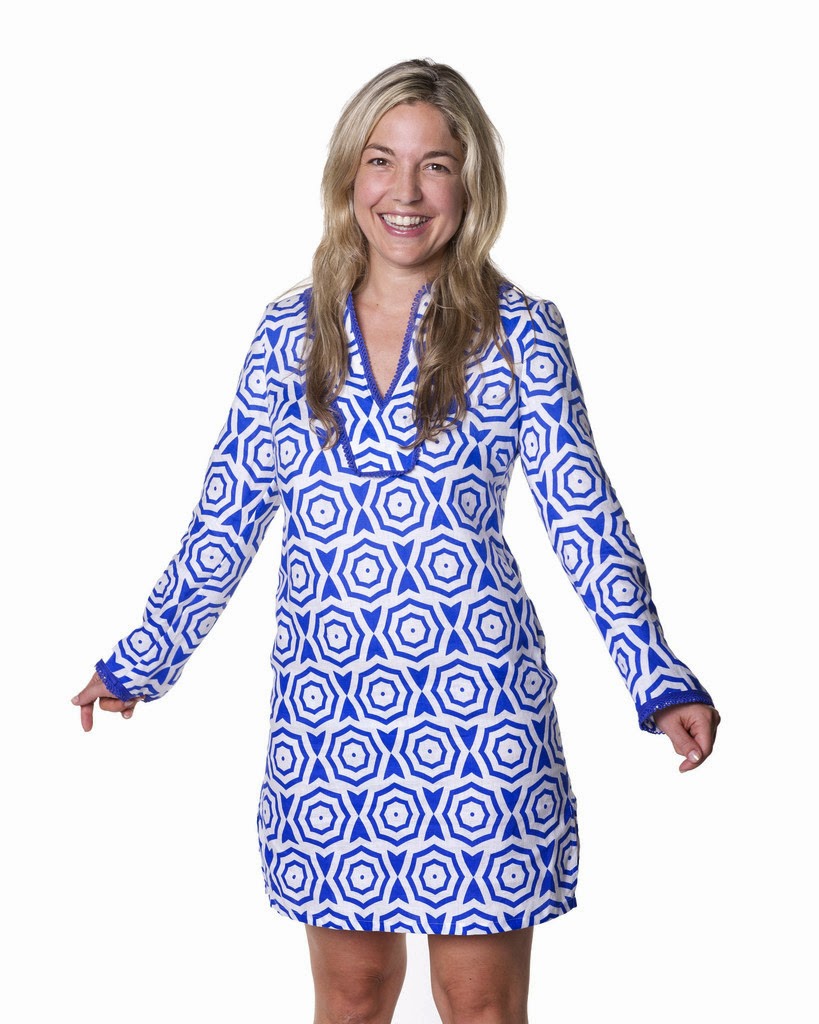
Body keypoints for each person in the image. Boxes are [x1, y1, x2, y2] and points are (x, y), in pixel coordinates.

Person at [72, 59, 720, 1024]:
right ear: (349, 173)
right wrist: (144, 657)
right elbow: (227, 515)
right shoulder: (288, 334)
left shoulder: (520, 334)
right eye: (381, 161)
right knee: (353, 998)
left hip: (479, 716)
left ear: (471, 183)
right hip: (329, 716)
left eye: (436, 165)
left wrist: (656, 676)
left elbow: (584, 518)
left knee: (479, 1007)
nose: (405, 192)